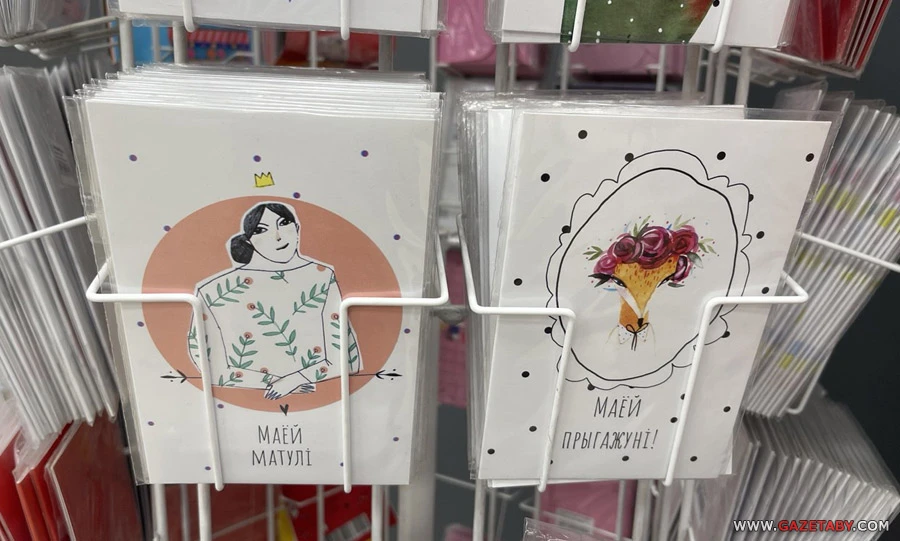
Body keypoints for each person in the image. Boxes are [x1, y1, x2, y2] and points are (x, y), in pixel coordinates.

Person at [188, 202, 361, 400]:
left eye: (284, 223)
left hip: (328, 398)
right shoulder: (213, 291)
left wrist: (296, 379)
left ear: (297, 229)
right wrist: (277, 383)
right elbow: (207, 363)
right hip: (240, 401)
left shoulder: (322, 275)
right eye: (261, 230)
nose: (278, 236)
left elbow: (346, 357)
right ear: (249, 241)